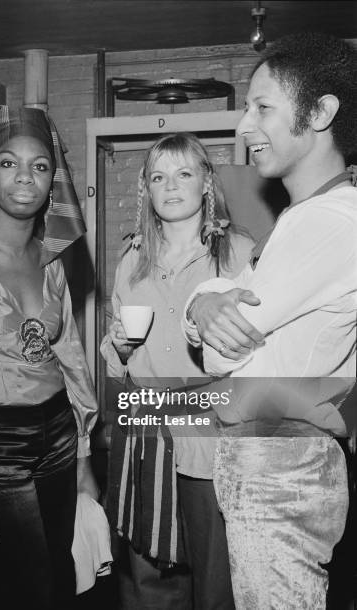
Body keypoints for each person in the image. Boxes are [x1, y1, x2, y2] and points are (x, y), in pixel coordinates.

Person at [182, 32, 357, 608]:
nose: (244, 127)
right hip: (288, 458)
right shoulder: (305, 218)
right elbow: (224, 308)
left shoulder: (327, 221)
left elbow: (219, 355)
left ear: (322, 112)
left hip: (278, 464)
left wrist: (207, 310)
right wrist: (206, 302)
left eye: (263, 108)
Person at [0, 105, 99, 610]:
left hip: (58, 435)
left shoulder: (51, 258)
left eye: (41, 165)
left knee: (58, 580)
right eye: (9, 163)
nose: (25, 177)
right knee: (15, 589)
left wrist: (84, 455)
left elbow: (70, 354)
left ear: (55, 181)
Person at [101, 132, 254, 610]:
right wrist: (120, 348)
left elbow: (263, 349)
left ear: (207, 182)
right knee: (151, 581)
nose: (170, 186)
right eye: (158, 176)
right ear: (145, 187)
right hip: (146, 429)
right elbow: (111, 351)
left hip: (213, 430)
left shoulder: (239, 254)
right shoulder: (130, 262)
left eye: (184, 173)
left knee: (217, 580)